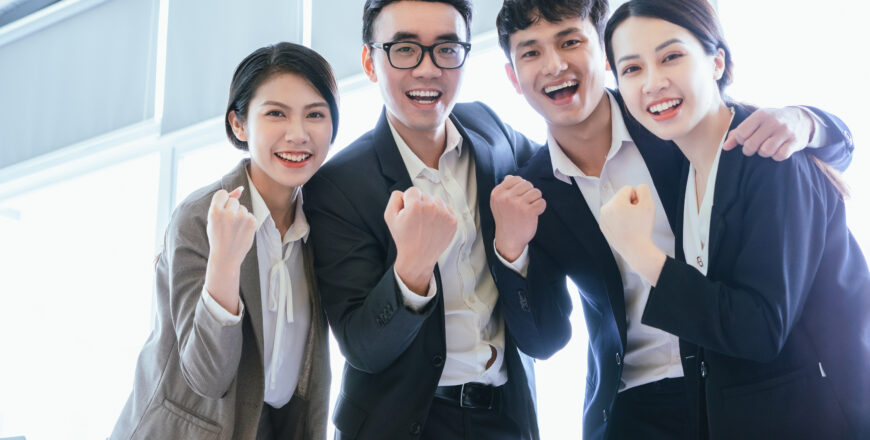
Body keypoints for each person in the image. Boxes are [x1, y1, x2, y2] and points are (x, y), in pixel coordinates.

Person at [489, 0, 855, 438]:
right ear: (512, 75)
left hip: (739, 379)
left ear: (602, 55)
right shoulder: (531, 190)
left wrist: (810, 121)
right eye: (530, 52)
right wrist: (510, 251)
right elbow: (545, 341)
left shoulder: (670, 119)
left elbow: (783, 156)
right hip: (632, 403)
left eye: (570, 41)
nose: (554, 64)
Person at [599, 0, 870, 437]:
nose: (652, 82)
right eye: (631, 69)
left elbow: (761, 329)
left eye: (671, 56)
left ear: (716, 60)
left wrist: (642, 254)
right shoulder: (685, 169)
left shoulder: (773, 157)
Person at [302, 1, 542, 438]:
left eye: (447, 49)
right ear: (370, 62)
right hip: (403, 424)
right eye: (405, 49)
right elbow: (362, 348)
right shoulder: (337, 185)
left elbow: (563, 173)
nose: (428, 69)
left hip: (506, 417)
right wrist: (410, 271)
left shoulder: (490, 130)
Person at [111, 42, 337, 440]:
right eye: (276, 114)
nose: (298, 134)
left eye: (315, 114)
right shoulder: (200, 218)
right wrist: (226, 263)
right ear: (239, 124)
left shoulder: (323, 221)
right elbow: (206, 377)